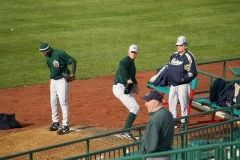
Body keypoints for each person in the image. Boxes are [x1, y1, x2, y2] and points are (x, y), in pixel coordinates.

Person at [39, 42, 77, 135]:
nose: (42, 54)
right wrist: (50, 80)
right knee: (53, 101)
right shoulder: (47, 57)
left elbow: (73, 61)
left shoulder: (60, 53)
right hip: (53, 81)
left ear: (47, 50)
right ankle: (55, 122)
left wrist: (72, 73)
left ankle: (65, 126)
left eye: (43, 52)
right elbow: (51, 69)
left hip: (62, 81)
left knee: (63, 102)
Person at [168, 36, 197, 126]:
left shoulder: (189, 56)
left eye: (180, 45)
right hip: (173, 84)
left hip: (183, 85)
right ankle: (173, 120)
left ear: (185, 46)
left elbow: (193, 72)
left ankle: (184, 121)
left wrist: (183, 79)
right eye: (177, 45)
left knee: (183, 103)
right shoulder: (173, 55)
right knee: (171, 102)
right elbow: (169, 68)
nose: (178, 47)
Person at [113, 44, 140, 140]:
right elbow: (122, 68)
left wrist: (136, 84)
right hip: (119, 87)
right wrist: (128, 79)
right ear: (129, 52)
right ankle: (126, 132)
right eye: (132, 52)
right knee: (135, 107)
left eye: (135, 52)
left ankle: (126, 130)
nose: (133, 53)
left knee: (133, 106)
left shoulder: (132, 63)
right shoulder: (125, 61)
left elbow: (132, 76)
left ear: (137, 54)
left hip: (125, 87)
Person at [141, 90, 175, 160]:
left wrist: (143, 153)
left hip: (155, 156)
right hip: (166, 155)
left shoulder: (155, 119)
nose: (145, 104)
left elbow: (150, 146)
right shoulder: (168, 113)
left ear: (156, 102)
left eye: (148, 101)